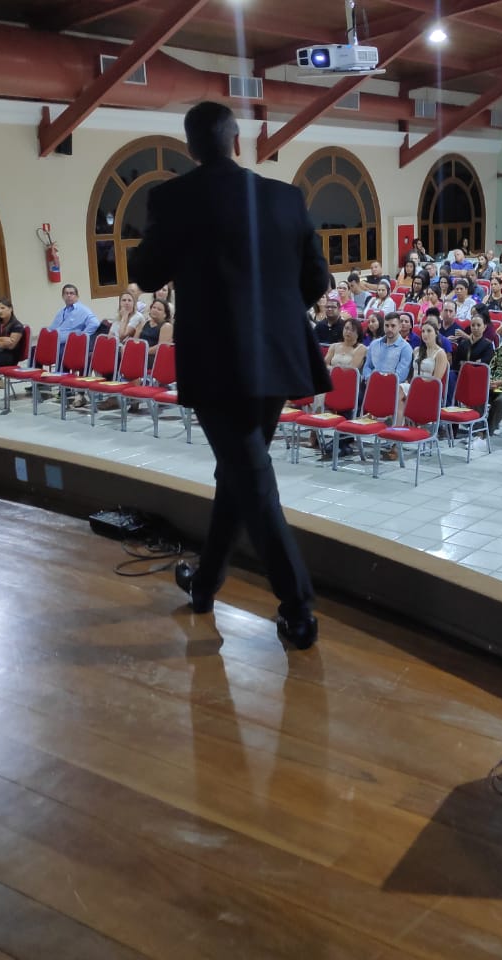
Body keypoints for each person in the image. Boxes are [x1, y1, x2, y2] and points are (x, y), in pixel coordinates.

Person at [130, 101, 328, 649]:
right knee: (240, 474)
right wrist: (273, 319)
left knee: (251, 476)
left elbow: (145, 273)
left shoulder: (172, 198)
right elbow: (317, 279)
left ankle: (298, 608)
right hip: (278, 359)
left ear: (191, 148)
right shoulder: (286, 197)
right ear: (237, 142)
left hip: (217, 363)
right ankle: (204, 584)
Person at [363, 312, 414, 383]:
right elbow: (367, 366)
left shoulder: (406, 348)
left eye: (393, 326)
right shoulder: (374, 344)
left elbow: (401, 375)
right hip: (371, 383)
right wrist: (369, 378)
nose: (389, 329)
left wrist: (382, 382)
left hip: (391, 385)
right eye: (386, 326)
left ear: (400, 327)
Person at [46, 282, 100, 347]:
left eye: (71, 293)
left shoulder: (83, 310)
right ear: (63, 296)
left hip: (68, 346)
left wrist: (81, 337)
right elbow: (51, 329)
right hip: (54, 343)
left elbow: (95, 324)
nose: (69, 295)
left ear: (77, 296)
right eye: (66, 293)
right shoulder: (61, 312)